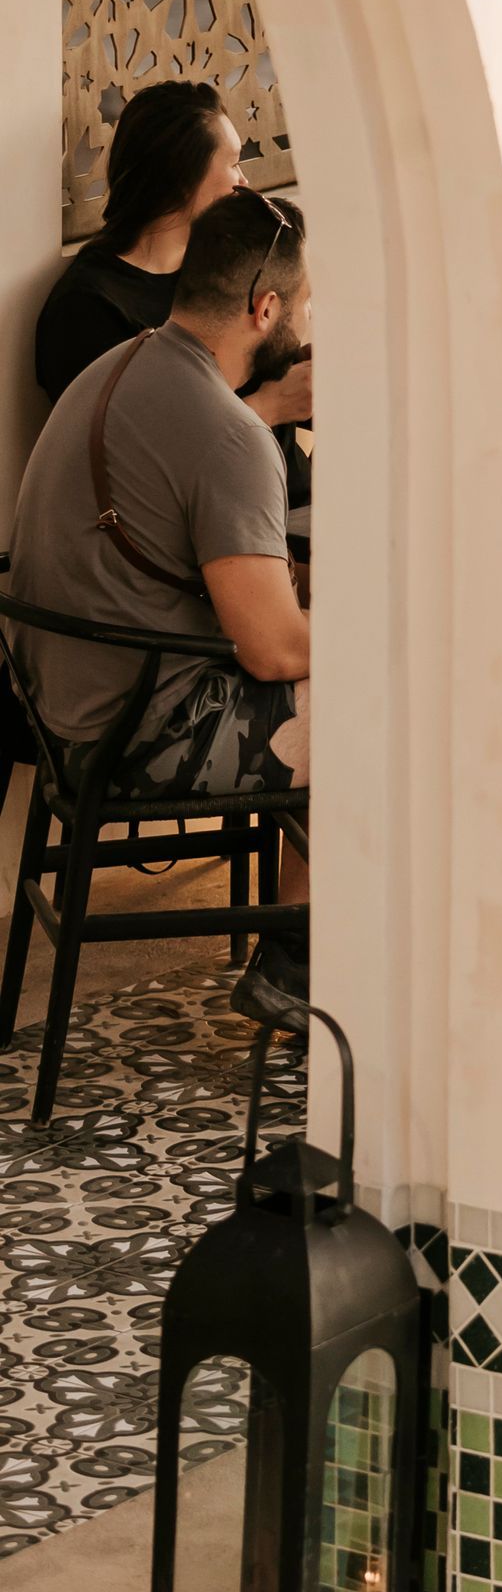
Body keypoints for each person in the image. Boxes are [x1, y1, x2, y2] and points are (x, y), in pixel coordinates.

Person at [8, 188, 314, 1026]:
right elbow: (274, 652)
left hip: (58, 716)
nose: (306, 325)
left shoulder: (123, 364)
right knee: (380, 712)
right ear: (266, 309)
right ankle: (298, 967)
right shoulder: (229, 434)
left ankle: (303, 945)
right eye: (304, 305)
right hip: (133, 736)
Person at [35, 79, 312, 477]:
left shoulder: (222, 263)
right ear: (182, 177)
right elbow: (136, 465)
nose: (244, 183)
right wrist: (270, 407)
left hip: (293, 490)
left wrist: (304, 372)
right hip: (228, 508)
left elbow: (259, 370)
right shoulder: (87, 308)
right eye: (233, 163)